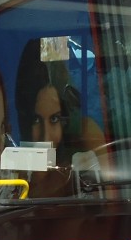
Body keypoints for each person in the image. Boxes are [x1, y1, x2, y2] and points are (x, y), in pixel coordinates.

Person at [15, 38, 104, 196]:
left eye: (54, 119)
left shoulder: (87, 136)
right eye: (35, 120)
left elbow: (111, 203)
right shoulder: (14, 155)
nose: (46, 137)